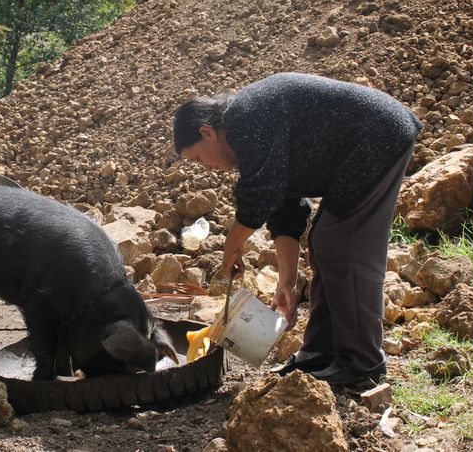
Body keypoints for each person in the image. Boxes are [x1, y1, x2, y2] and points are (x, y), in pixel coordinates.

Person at [172, 72, 422, 386]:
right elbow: (283, 210)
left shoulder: (245, 117)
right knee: (325, 242)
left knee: (339, 241)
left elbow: (260, 196)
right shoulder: (251, 141)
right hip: (364, 147)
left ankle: (363, 365)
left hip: (378, 136)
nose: (205, 167)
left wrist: (231, 246)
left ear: (207, 132)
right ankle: (320, 352)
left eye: (196, 158)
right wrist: (287, 283)